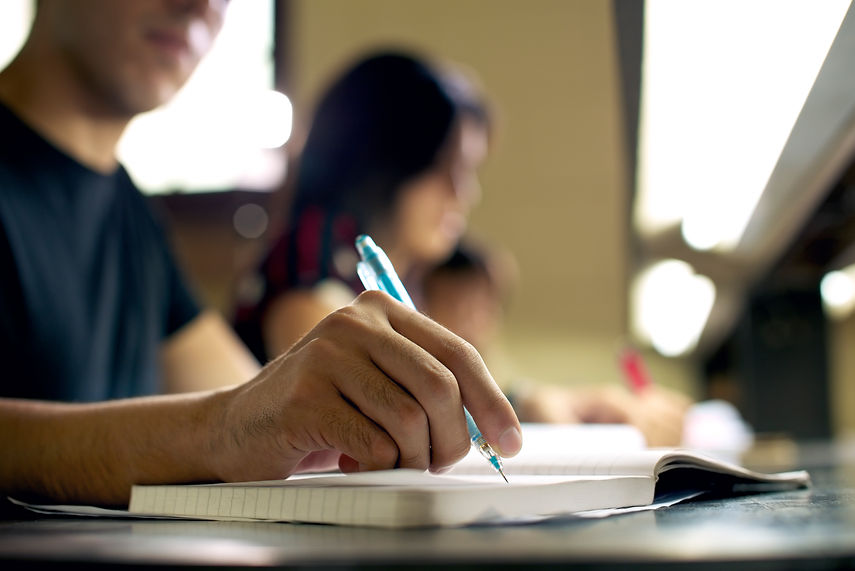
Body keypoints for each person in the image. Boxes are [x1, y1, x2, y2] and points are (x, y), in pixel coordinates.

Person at [0, 0, 521, 508]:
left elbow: (250, 399)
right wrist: (226, 427)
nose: (201, 6)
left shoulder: (127, 211)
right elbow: (232, 420)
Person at [233, 50, 689, 447]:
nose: (464, 193)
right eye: (448, 169)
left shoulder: (399, 274)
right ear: (386, 163)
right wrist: (530, 404)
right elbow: (364, 391)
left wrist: (554, 403)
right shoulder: (312, 256)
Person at [233, 50, 489, 361]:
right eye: (442, 167)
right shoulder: (310, 276)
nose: (463, 192)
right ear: (385, 165)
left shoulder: (408, 275)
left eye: (466, 171)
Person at [422, 241, 691, 447]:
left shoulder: (500, 379)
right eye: (461, 303)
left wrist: (552, 402)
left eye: (488, 306)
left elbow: (504, 399)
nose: (477, 319)